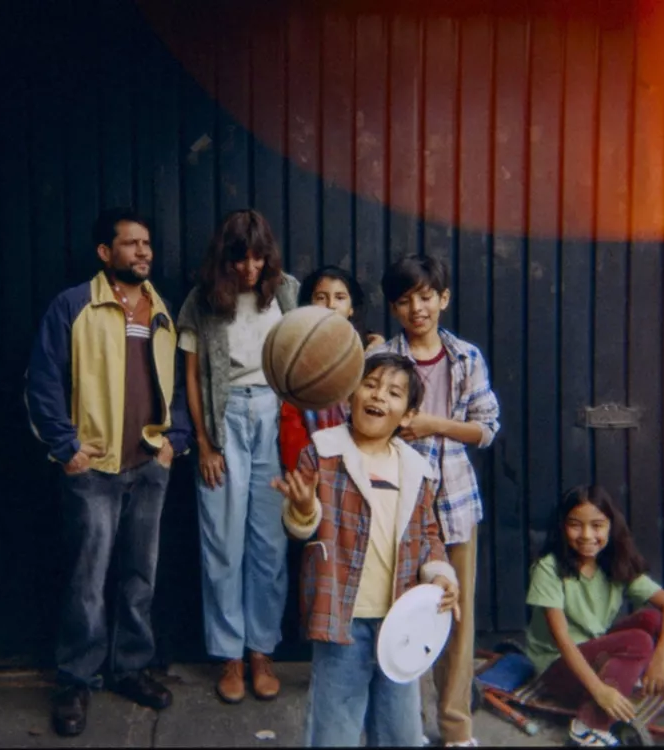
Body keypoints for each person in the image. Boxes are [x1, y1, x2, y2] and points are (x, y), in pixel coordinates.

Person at [25, 207, 189, 737]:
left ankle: (132, 667)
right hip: (92, 467)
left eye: (147, 244)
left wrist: (173, 443)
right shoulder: (74, 305)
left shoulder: (162, 310)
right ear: (105, 253)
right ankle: (77, 679)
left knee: (141, 574)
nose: (143, 252)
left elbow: (182, 384)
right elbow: (42, 381)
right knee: (88, 580)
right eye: (130, 244)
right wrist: (66, 446)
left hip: (149, 465)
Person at [276, 352, 460, 747]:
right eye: (371, 384)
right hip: (343, 620)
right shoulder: (322, 452)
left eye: (394, 392)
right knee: (333, 730)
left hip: (401, 624)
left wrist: (442, 576)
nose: (378, 395)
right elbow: (298, 528)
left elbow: (429, 536)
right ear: (350, 395)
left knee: (401, 732)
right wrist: (305, 508)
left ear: (407, 415)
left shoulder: (417, 469)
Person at [369, 253, 501, 747]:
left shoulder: (465, 357)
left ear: (443, 299)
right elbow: (362, 423)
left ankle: (455, 730)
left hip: (457, 505)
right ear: (394, 307)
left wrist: (434, 425)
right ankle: (398, 729)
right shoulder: (382, 362)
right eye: (404, 300)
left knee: (455, 617)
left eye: (425, 296)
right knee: (395, 615)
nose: (416, 308)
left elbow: (487, 430)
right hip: (397, 508)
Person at [176, 208, 299, 703]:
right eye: (239, 260)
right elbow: (190, 374)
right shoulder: (202, 299)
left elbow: (310, 351)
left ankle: (260, 651)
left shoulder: (285, 291)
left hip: (273, 415)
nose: (249, 269)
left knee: (269, 544)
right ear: (224, 258)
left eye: (256, 259)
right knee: (222, 543)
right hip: (224, 420)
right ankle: (228, 655)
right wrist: (204, 442)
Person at [524, 485, 664, 747]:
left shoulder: (614, 563)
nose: (587, 535)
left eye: (597, 525)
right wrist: (600, 692)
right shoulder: (549, 568)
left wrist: (662, 658)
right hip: (558, 667)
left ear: (611, 527)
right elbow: (563, 640)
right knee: (638, 641)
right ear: (562, 527)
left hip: (593, 652)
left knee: (652, 619)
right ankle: (588, 724)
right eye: (575, 525)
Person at [278, 264, 385, 471]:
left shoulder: (371, 351)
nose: (331, 305)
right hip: (313, 458)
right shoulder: (296, 353)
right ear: (309, 304)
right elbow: (290, 421)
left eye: (340, 297)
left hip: (362, 460)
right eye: (321, 297)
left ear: (352, 307)